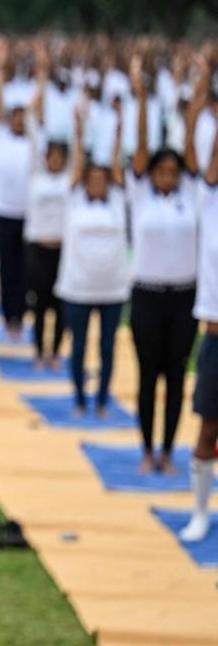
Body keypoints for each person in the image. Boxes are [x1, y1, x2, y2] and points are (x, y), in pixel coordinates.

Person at [128, 55, 201, 474]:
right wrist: (141, 99)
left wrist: (192, 113)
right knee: (148, 374)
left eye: (174, 173)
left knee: (175, 376)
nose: (168, 178)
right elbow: (140, 148)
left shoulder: (190, 196)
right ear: (153, 173)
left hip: (183, 297)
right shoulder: (140, 196)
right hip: (148, 295)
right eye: (162, 172)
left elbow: (192, 149)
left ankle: (170, 451)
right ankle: (146, 449)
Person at [55, 101, 129, 417]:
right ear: (85, 181)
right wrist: (79, 129)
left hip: (112, 288)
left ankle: (101, 400)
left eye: (103, 179)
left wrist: (117, 134)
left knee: (107, 348)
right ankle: (80, 401)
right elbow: (76, 161)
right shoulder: (73, 199)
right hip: (78, 287)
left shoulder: (119, 201)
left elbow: (117, 166)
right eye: (92, 179)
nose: (98, 183)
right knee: (80, 345)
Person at [181, 105, 218, 543]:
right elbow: (203, 157)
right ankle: (199, 511)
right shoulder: (209, 201)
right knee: (208, 426)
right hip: (215, 336)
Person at [24, 48, 71, 370]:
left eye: (59, 157)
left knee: (61, 305)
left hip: (64, 248)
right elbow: (30, 124)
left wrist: (78, 127)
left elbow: (78, 151)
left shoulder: (71, 180)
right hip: (38, 247)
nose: (54, 160)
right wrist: (41, 78)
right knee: (40, 304)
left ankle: (55, 351)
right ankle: (40, 351)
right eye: (50, 156)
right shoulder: (36, 175)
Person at [0, 39, 33, 340]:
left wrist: (40, 71)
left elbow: (39, 104)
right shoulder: (0, 137)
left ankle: (20, 313)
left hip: (28, 214)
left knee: (25, 270)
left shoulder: (34, 142)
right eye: (13, 119)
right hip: (3, 211)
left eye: (22, 119)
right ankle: (8, 316)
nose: (17, 123)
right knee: (6, 267)